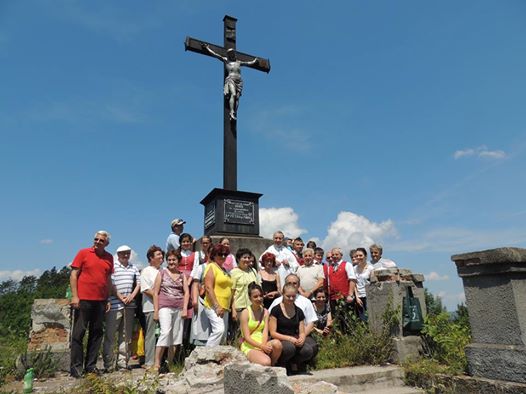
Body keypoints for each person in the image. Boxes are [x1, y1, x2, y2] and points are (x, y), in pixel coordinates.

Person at [69, 230, 114, 378]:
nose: (97, 242)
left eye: (101, 240)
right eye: (96, 239)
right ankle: (76, 368)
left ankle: (90, 366)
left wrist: (107, 298)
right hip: (84, 300)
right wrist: (75, 296)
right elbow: (74, 275)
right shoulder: (83, 253)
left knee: (96, 334)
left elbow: (107, 279)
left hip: (100, 301)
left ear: (106, 243)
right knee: (78, 334)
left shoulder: (109, 257)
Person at [268, 274, 319, 369]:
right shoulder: (276, 306)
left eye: (293, 297)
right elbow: (272, 331)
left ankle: (295, 364)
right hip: (282, 338)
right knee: (289, 348)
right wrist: (290, 339)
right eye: (288, 296)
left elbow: (308, 324)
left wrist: (302, 338)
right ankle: (282, 364)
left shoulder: (300, 307)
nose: (291, 299)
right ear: (283, 293)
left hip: (296, 336)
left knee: (308, 350)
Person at [103, 245, 140, 372]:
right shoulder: (113, 267)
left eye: (127, 253)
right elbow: (111, 284)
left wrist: (131, 296)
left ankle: (122, 363)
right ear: (118, 254)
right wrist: (120, 297)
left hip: (129, 305)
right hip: (114, 305)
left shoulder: (133, 267)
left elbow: (138, 284)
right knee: (110, 335)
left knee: (126, 336)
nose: (125, 255)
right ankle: (108, 364)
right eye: (123, 253)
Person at [152, 250, 189, 372]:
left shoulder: (182, 275)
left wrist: (184, 309)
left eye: (174, 260)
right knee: (165, 332)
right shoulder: (162, 273)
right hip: (165, 306)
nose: (171, 262)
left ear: (178, 261)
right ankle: (157, 363)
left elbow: (186, 292)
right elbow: (155, 293)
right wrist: (156, 311)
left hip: (178, 307)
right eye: (169, 260)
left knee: (176, 337)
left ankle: (170, 363)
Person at [202, 44, 259, 120]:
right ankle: (231, 112)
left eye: (233, 53)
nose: (232, 55)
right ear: (228, 55)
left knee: (237, 98)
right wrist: (207, 48)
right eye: (230, 54)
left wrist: (254, 61)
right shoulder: (226, 60)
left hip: (239, 81)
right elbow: (215, 54)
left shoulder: (239, 62)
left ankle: (234, 112)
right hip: (231, 79)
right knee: (233, 94)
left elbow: (248, 63)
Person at [240, 283, 282, 366]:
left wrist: (263, 345)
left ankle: (272, 366)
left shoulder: (265, 312)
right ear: (250, 298)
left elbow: (265, 331)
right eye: (255, 296)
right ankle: (268, 364)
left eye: (260, 296)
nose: (259, 298)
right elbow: (246, 337)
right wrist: (261, 346)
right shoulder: (245, 312)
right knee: (265, 362)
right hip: (249, 345)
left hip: (262, 342)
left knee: (277, 344)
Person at [203, 243, 234, 346]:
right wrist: (216, 306)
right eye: (220, 254)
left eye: (225, 254)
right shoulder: (211, 267)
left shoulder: (224, 270)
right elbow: (208, 287)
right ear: (214, 255)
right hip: (213, 306)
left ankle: (217, 358)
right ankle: (206, 355)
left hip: (224, 307)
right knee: (219, 330)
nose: (223, 257)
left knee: (223, 336)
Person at [140, 245, 164, 369]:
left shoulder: (163, 270)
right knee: (151, 334)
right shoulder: (146, 271)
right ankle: (149, 361)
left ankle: (159, 361)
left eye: (161, 255)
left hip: (163, 307)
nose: (161, 257)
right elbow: (145, 289)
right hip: (150, 307)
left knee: (161, 334)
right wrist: (158, 296)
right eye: (158, 255)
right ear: (151, 257)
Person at [323, 248, 357, 329]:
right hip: (333, 298)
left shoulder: (347, 264)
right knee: (336, 319)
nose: (334, 256)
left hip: (345, 297)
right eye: (333, 255)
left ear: (341, 255)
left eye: (336, 254)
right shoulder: (329, 267)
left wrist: (350, 294)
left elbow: (352, 279)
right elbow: (328, 283)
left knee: (347, 319)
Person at [230, 248, 260, 339]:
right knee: (239, 332)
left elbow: (258, 288)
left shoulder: (253, 271)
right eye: (244, 257)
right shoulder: (233, 272)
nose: (247, 260)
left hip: (252, 307)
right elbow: (232, 293)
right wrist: (233, 309)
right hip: (240, 307)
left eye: (248, 257)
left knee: (251, 332)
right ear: (238, 259)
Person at [190, 242, 213, 346]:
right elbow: (195, 283)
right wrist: (195, 300)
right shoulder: (201, 267)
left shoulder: (220, 268)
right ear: (207, 254)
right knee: (202, 328)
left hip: (216, 302)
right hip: (203, 301)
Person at [353, 248, 374, 321]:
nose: (358, 257)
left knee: (370, 317)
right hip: (359, 297)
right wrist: (357, 297)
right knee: (362, 318)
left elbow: (373, 283)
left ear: (365, 256)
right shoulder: (354, 269)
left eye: (360, 255)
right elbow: (354, 284)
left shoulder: (370, 268)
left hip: (368, 296)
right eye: (357, 256)